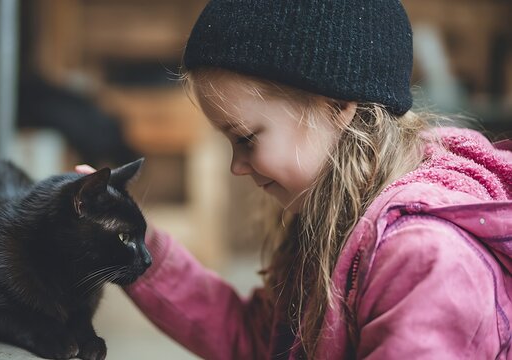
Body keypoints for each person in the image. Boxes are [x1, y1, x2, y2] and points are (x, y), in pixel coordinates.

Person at [76, 1, 512, 358]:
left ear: (335, 106)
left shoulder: (426, 261)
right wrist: (132, 244)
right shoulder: (331, 222)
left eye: (246, 138)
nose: (237, 166)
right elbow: (259, 344)